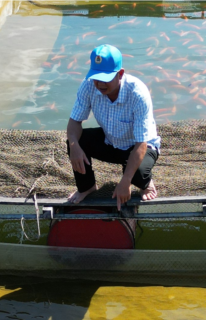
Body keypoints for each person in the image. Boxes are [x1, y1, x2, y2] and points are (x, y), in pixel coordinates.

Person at [65, 44, 159, 208]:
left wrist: (126, 181)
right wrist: (74, 146)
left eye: (105, 78)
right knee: (75, 142)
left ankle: (146, 182)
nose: (100, 84)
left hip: (138, 145)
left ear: (120, 74)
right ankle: (87, 187)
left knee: (137, 176)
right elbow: (75, 122)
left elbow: (141, 143)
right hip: (110, 140)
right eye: (96, 78)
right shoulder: (88, 85)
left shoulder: (138, 93)